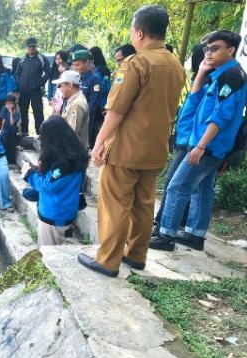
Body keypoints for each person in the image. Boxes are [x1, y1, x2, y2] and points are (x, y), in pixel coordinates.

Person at [78, 5, 185, 277]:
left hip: (126, 148)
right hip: (156, 149)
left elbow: (116, 111)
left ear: (139, 32)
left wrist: (99, 143)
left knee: (115, 203)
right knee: (144, 202)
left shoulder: (135, 63)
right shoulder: (175, 64)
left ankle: (108, 260)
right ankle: (137, 255)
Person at [150, 30, 246, 252]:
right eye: (206, 49)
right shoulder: (221, 74)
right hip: (206, 145)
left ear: (230, 50)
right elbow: (197, 107)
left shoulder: (231, 76)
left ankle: (165, 235)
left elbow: (222, 116)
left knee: (177, 187)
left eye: (215, 48)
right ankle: (195, 234)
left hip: (209, 146)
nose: (208, 53)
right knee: (202, 190)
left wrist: (201, 145)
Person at [152, 41, 208, 236]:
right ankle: (188, 229)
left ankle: (164, 229)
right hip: (188, 139)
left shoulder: (210, 80)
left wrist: (198, 145)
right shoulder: (201, 79)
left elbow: (207, 116)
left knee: (174, 185)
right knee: (196, 188)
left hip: (191, 142)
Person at [22, 117, 88, 245]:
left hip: (54, 217)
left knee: (46, 256)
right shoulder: (74, 155)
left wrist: (29, 174)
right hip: (64, 210)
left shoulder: (63, 165)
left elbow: (47, 185)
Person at [15, 37, 50, 136]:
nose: (31, 48)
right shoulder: (23, 59)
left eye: (33, 46)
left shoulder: (42, 58)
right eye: (29, 46)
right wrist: (19, 83)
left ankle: (40, 134)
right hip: (24, 90)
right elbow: (17, 73)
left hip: (36, 91)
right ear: (27, 47)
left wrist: (40, 83)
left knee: (38, 112)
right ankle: (24, 132)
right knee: (23, 111)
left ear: (36, 47)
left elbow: (48, 72)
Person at [71, 49, 101, 149]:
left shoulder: (94, 79)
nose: (76, 67)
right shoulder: (75, 77)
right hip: (73, 113)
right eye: (74, 65)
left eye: (78, 65)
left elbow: (94, 101)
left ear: (87, 62)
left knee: (83, 142)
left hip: (86, 116)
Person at [52, 70, 89, 149]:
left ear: (70, 86)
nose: (60, 90)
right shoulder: (73, 100)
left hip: (71, 154)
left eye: (61, 86)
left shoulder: (76, 105)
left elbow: (71, 135)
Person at [89, 46, 112, 147]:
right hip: (98, 100)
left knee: (99, 124)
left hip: (101, 101)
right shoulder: (100, 68)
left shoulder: (101, 69)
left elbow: (103, 87)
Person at [0, 94, 21, 164]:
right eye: (7, 103)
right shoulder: (4, 109)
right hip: (5, 130)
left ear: (14, 104)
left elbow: (12, 123)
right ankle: (4, 159)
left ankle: (11, 160)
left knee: (11, 144)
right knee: (4, 141)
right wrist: (1, 130)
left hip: (13, 130)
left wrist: (10, 112)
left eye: (11, 103)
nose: (9, 105)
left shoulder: (17, 113)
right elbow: (4, 120)